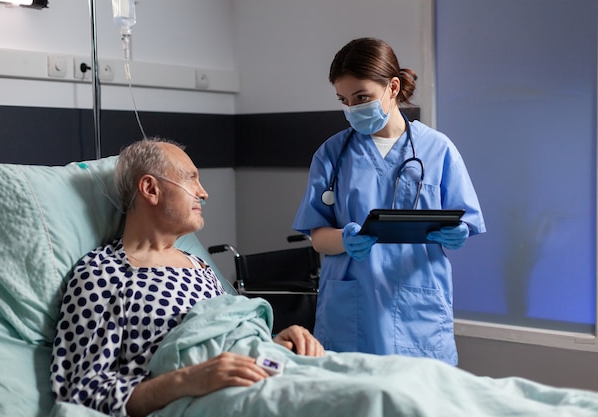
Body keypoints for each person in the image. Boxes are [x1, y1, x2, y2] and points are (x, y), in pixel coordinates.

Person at [50, 138, 324, 417]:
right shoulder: (104, 273)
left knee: (364, 377)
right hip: (207, 403)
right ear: (150, 189)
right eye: (191, 179)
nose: (203, 193)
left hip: (260, 376)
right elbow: (81, 392)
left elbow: (228, 337)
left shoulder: (200, 265)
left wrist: (273, 343)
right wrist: (188, 380)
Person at [292, 37, 486, 365]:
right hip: (352, 310)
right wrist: (346, 239)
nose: (353, 108)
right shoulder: (332, 154)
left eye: (362, 97)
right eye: (345, 99)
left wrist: (459, 233)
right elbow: (318, 238)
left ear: (392, 87)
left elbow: (464, 220)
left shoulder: (438, 149)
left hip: (416, 310)